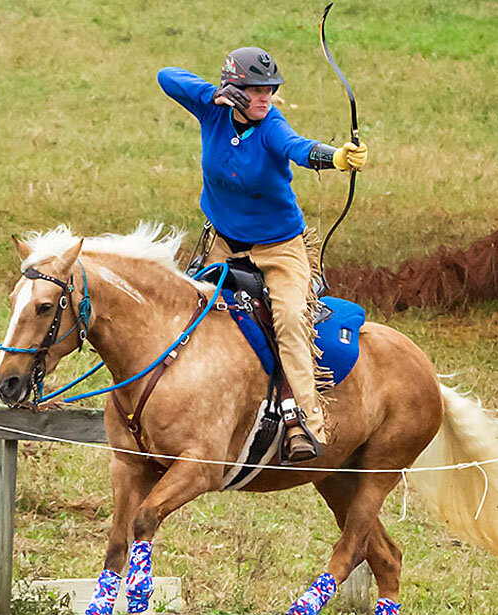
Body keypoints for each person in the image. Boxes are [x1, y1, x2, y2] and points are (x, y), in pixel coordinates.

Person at [157, 47, 368, 463]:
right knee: (186, 309)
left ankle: (307, 421)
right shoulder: (212, 111)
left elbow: (298, 147)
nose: (265, 98)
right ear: (233, 90)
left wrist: (336, 157)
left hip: (279, 250)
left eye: (270, 90)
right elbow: (167, 72)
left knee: (289, 320)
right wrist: (210, 95)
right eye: (255, 90)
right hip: (221, 242)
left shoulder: (271, 126)